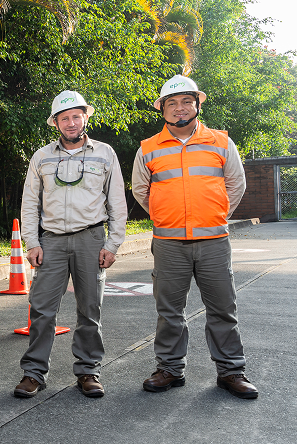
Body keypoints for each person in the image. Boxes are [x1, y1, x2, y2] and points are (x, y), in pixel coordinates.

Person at [131, 75, 258, 399]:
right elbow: (141, 192)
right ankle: (170, 370)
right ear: (162, 110)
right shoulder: (148, 149)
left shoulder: (220, 142)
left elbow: (236, 185)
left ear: (197, 104)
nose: (179, 108)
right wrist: (165, 215)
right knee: (169, 312)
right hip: (169, 243)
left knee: (222, 309)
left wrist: (213, 215)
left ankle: (231, 372)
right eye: (171, 103)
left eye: (186, 101)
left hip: (213, 241)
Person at [15, 90, 126, 399]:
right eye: (65, 118)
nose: (71, 122)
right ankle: (33, 374)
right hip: (50, 241)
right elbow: (29, 204)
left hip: (91, 239)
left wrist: (113, 244)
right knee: (41, 310)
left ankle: (89, 372)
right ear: (56, 123)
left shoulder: (105, 153)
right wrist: (32, 242)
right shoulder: (42, 157)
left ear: (85, 117)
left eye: (76, 116)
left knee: (90, 309)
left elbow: (117, 201)